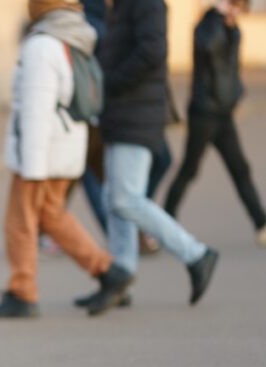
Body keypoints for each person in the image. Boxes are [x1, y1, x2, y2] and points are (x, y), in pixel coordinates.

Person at [0, 0, 128, 318]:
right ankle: (108, 272)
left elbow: (36, 109)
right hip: (65, 147)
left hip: (40, 154)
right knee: (52, 216)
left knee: (19, 223)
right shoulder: (74, 36)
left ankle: (22, 292)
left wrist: (31, 167)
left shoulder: (42, 45)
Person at [83, 0, 219, 314]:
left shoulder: (147, 3)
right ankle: (122, 278)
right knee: (113, 198)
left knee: (125, 199)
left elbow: (152, 51)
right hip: (121, 113)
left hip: (136, 113)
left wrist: (109, 82)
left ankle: (196, 254)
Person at [163, 0, 266, 247]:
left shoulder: (233, 30)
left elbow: (231, 67)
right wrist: (217, 17)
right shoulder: (207, 27)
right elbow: (207, 47)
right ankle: (164, 223)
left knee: (240, 169)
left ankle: (261, 223)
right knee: (189, 170)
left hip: (224, 115)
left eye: (240, 6)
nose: (236, 10)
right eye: (233, 4)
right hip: (203, 113)